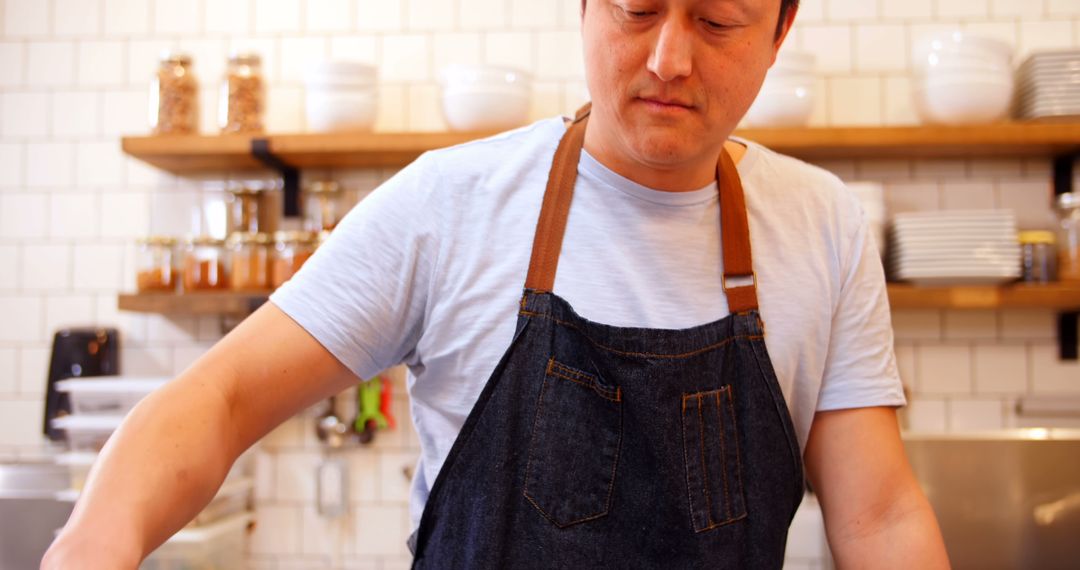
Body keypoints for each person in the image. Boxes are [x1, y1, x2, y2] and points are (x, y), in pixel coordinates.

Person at [43, 0, 951, 568]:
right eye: (637, 10)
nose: (671, 56)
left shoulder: (824, 226)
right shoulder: (450, 204)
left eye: (717, 21)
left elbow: (876, 514)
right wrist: (96, 542)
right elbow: (221, 395)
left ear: (781, 30)